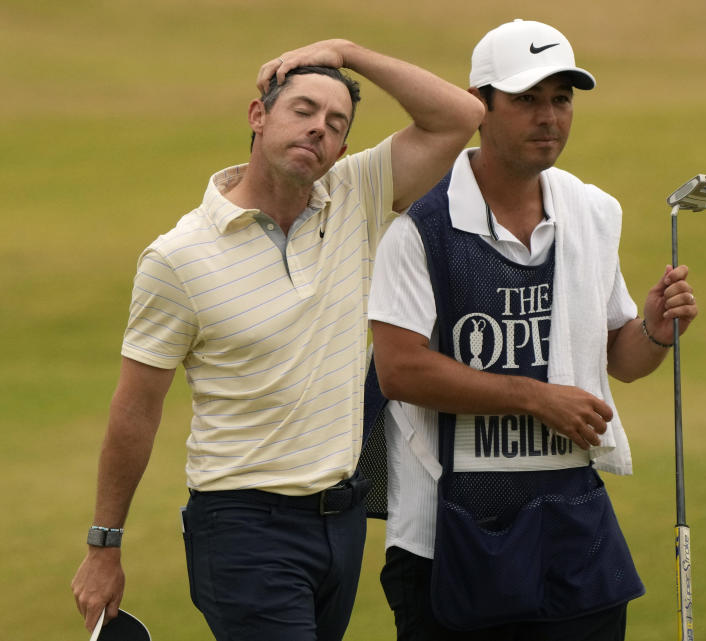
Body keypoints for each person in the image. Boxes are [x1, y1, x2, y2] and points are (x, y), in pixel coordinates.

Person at [70, 39, 485, 641]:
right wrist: (104, 545)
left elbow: (462, 116)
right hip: (242, 526)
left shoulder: (357, 196)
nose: (319, 128)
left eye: (336, 123)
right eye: (303, 109)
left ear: (343, 147)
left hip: (340, 522)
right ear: (258, 116)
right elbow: (135, 410)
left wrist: (346, 51)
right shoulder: (177, 258)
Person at [367, 20, 700, 641]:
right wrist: (536, 397)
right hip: (445, 538)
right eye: (527, 100)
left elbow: (618, 359)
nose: (549, 117)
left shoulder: (591, 213)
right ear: (481, 107)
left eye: (561, 99)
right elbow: (400, 369)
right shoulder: (420, 224)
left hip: (572, 528)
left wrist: (653, 329)